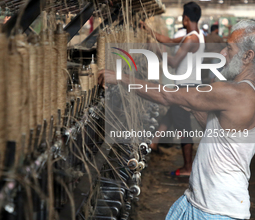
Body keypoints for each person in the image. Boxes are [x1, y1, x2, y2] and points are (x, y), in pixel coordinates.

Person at [99, 19, 255, 219]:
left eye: (229, 48)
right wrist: (191, 104)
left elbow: (166, 95)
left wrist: (121, 78)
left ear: (248, 56)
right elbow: (218, 133)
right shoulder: (248, 93)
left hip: (215, 210)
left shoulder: (233, 93)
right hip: (206, 201)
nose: (223, 53)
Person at [140, 2, 205, 177]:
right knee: (172, 115)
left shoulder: (191, 39)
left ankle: (187, 168)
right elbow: (168, 40)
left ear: (185, 18)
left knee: (183, 127)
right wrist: (148, 30)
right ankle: (154, 143)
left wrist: (156, 50)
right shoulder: (197, 35)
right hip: (189, 86)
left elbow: (174, 62)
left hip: (186, 88)